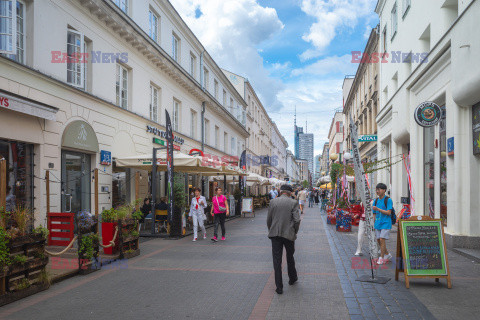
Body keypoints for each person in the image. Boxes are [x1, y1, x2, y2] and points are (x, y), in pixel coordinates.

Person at [267, 184, 301, 295]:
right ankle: (292, 278)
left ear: (281, 192)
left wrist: (271, 229)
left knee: (277, 261)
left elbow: (269, 219)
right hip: (289, 234)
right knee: (290, 256)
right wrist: (294, 231)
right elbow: (297, 220)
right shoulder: (293, 202)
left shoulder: (273, 202)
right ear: (290, 193)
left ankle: (279, 287)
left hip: (275, 234)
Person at [372, 183, 393, 264]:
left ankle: (381, 257)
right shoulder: (375, 200)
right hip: (378, 223)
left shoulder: (388, 200)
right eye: (376, 189)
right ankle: (387, 254)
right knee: (378, 240)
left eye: (379, 189)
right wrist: (373, 224)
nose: (377, 191)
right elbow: (374, 213)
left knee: (382, 239)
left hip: (386, 223)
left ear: (384, 190)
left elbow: (388, 212)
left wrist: (378, 209)